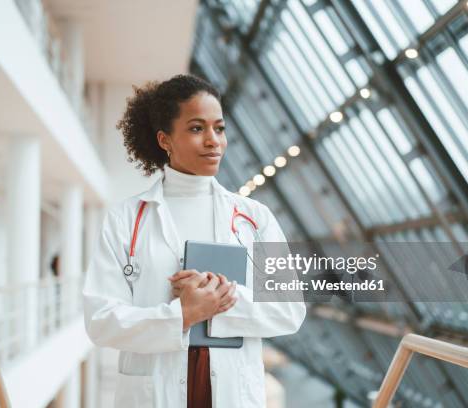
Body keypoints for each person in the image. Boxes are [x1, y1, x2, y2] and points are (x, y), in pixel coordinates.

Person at [83, 74, 306, 408]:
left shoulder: (255, 218)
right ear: (165, 139)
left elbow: (289, 310)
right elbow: (101, 321)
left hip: (232, 390)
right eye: (197, 128)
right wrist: (181, 315)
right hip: (154, 391)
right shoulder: (126, 219)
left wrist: (217, 302)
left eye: (220, 128)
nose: (213, 141)